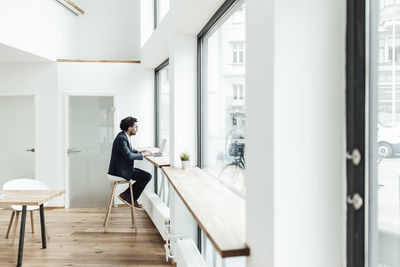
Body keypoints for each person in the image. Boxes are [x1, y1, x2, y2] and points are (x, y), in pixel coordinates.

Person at [108, 116, 152, 209]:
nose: (137, 129)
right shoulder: (122, 138)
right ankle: (127, 196)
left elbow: (128, 150)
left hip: (122, 168)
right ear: (129, 128)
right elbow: (128, 155)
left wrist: (140, 152)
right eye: (135, 127)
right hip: (119, 171)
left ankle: (128, 197)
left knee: (145, 176)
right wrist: (143, 155)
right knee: (147, 176)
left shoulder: (123, 136)